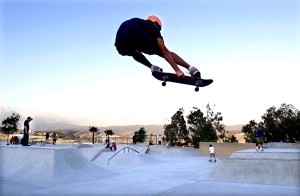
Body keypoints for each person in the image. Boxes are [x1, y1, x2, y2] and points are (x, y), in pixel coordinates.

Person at [115, 16, 201, 79]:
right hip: (138, 36)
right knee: (161, 51)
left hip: (120, 44)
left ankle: (152, 67)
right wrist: (177, 70)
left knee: (134, 52)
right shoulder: (153, 26)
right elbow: (164, 51)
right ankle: (190, 68)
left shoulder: (138, 23)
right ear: (157, 24)